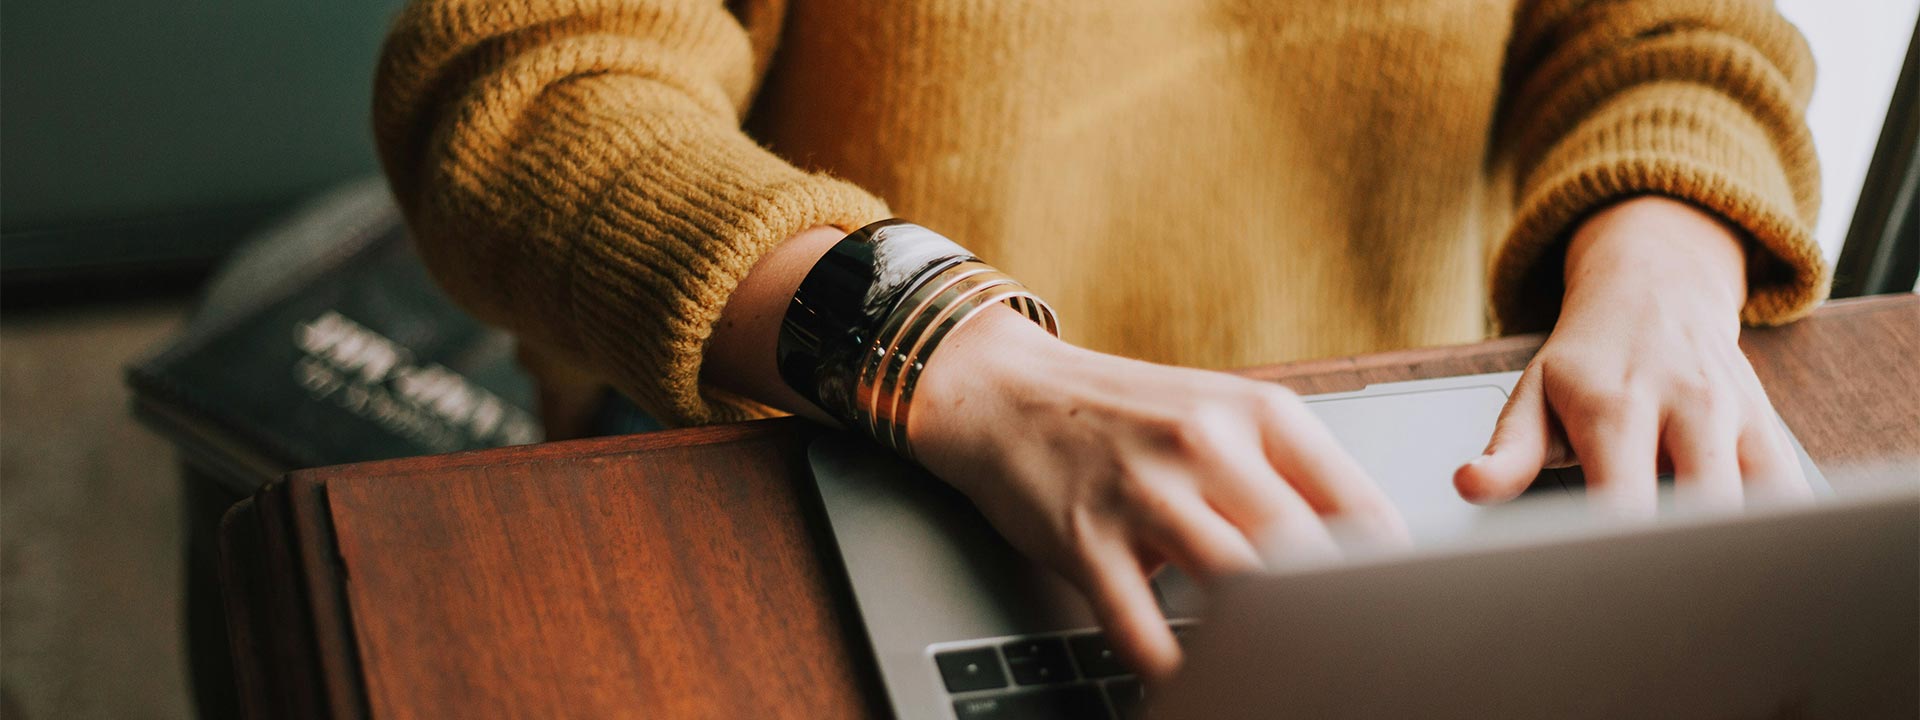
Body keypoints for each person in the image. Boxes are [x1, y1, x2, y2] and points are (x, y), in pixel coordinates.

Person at [373, 0, 1827, 681]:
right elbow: (524, 84)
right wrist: (957, 354)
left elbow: (1679, 27)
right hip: (836, 459)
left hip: (1381, 496)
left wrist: (1664, 257)